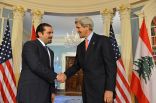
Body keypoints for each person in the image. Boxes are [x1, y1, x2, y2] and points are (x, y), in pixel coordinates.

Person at [57, 17, 117, 103]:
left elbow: (111, 67)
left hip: (102, 89)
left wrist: (109, 89)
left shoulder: (103, 40)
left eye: (78, 27)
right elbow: (76, 65)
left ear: (87, 27)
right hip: (86, 88)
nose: (77, 30)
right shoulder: (80, 46)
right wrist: (65, 75)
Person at [17, 23, 57, 103]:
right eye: (49, 33)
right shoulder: (30, 45)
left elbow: (50, 70)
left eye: (52, 33)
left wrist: (52, 91)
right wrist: (56, 76)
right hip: (31, 91)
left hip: (46, 92)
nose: (52, 35)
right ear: (39, 34)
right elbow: (35, 66)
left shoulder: (50, 52)